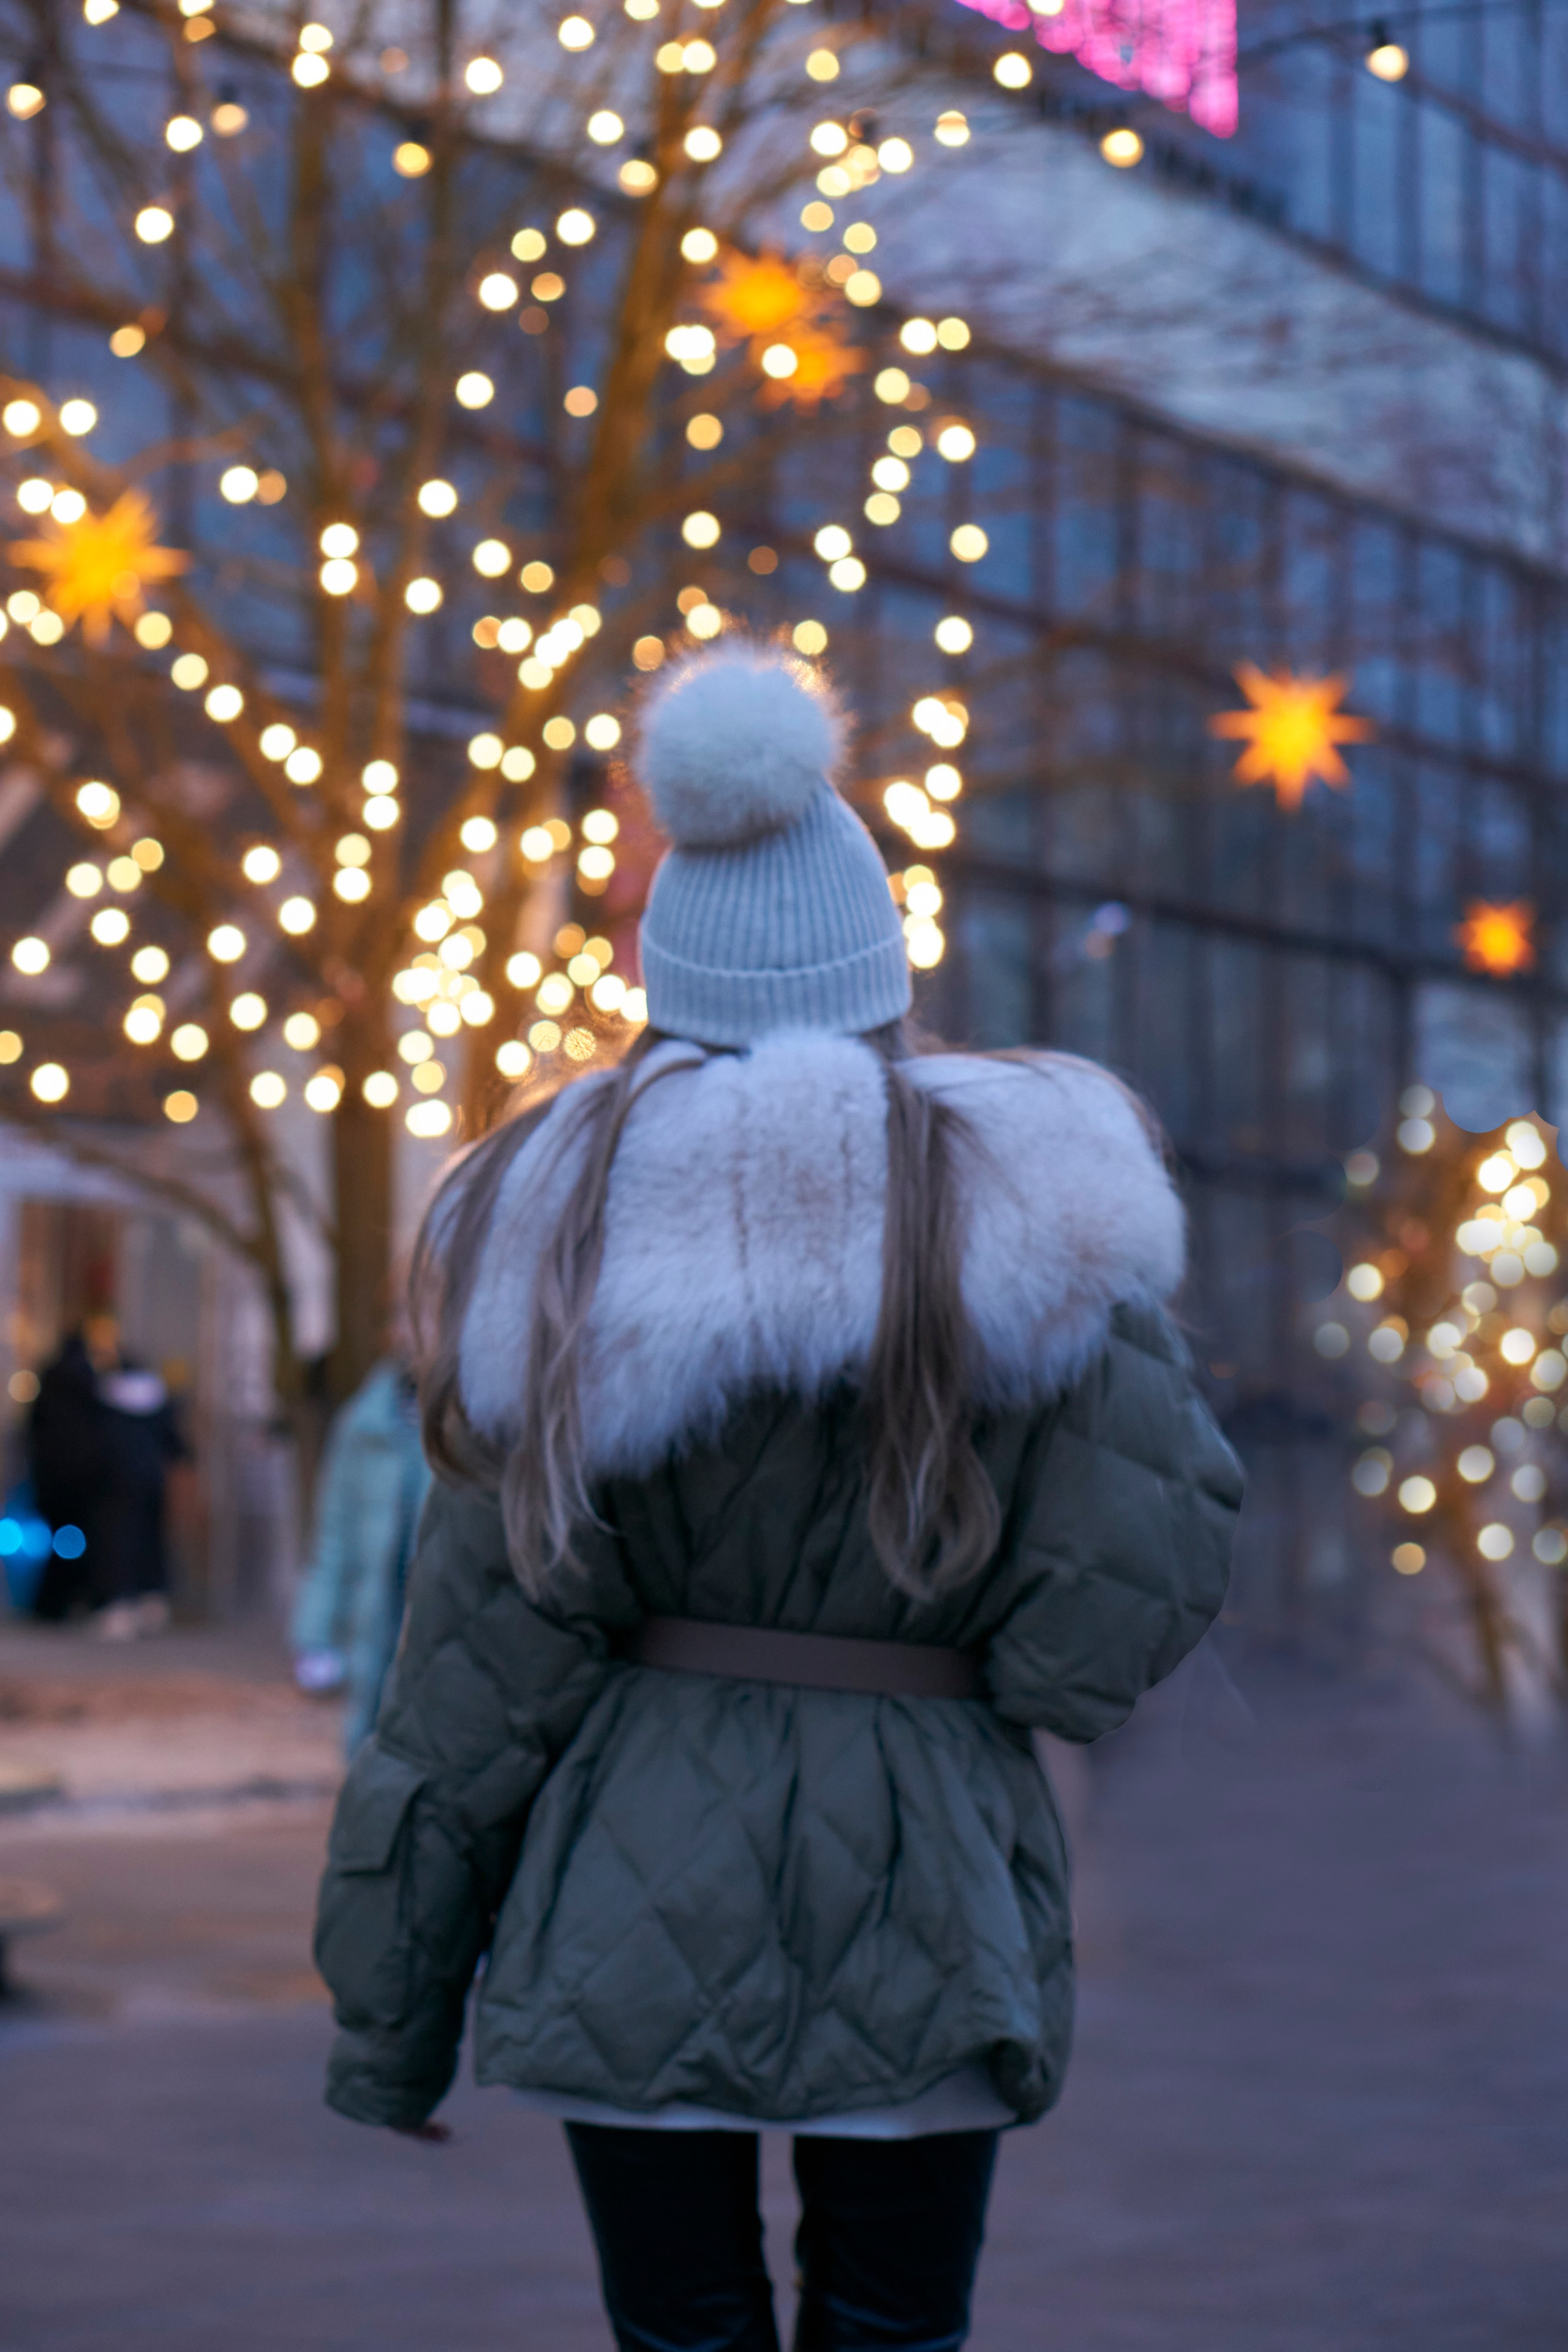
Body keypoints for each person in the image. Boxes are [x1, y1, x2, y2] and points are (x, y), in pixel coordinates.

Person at [313, 645, 1242, 2351]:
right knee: (898, 2331)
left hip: (631, 1906)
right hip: (927, 1892)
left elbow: (465, 1686)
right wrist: (1011, 1681)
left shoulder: (559, 1239)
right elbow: (1141, 1572)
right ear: (884, 970)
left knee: (681, 2337)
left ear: (666, 974)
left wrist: (394, 2018)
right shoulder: (1038, 1221)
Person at [291, 1353, 431, 1755]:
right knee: (368, 1748)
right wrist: (314, 1635)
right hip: (376, 1618)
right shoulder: (364, 1422)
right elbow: (333, 1537)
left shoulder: (480, 1418)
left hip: (439, 1627)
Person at [29, 1317, 186, 1637]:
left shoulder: (79, 1385)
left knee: (112, 1542)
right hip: (141, 1478)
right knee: (141, 1540)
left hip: (106, 1480)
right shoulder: (144, 1389)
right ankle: (145, 1600)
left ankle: (117, 1606)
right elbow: (172, 1439)